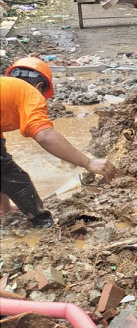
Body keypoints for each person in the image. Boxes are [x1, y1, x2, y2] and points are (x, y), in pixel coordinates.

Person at [1, 58, 117, 228]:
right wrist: (88, 162)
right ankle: (43, 226)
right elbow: (45, 135)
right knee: (18, 179)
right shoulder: (29, 92)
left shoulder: (6, 92)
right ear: (40, 87)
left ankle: (3, 210)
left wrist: (5, 209)